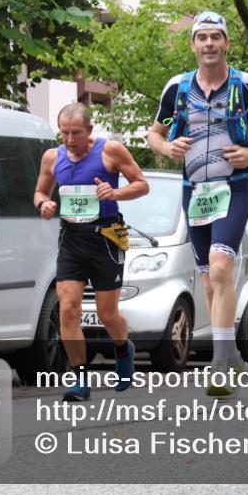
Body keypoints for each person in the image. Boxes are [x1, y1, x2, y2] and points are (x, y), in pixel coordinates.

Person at [148, 11, 248, 397]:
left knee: (221, 267)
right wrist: (167, 146)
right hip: (194, 192)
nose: (209, 44)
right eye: (202, 37)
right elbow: (154, 134)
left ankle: (219, 364)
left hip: (234, 188)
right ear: (193, 44)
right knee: (211, 283)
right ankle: (231, 356)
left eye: (216, 37)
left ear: (227, 43)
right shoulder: (177, 88)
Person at [33, 103, 150, 402]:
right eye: (64, 133)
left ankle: (124, 348)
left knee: (107, 314)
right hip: (71, 239)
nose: (70, 139)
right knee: (69, 308)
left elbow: (142, 185)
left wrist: (115, 192)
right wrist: (43, 204)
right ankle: (80, 380)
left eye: (76, 133)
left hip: (107, 236)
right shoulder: (52, 157)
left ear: (89, 130)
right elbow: (40, 192)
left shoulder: (111, 151)